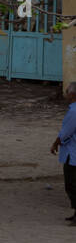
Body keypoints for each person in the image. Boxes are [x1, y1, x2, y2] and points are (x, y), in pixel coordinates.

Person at [52, 81, 76, 224]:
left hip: (72, 153)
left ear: (72, 94)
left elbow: (66, 133)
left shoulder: (73, 111)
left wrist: (55, 143)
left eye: (67, 92)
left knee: (72, 184)